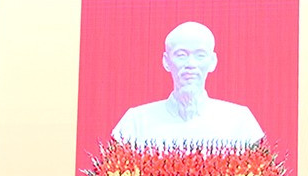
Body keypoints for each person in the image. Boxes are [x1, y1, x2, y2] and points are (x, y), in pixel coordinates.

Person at [111, 21, 264, 147]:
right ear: (166, 61)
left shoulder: (240, 122)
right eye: (181, 55)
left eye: (200, 55)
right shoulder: (135, 123)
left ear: (212, 62)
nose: (191, 64)